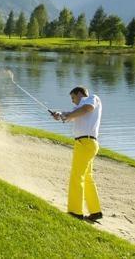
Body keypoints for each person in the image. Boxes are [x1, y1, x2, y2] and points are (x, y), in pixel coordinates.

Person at [52, 86, 103, 222]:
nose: (73, 101)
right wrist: (59, 114)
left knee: (77, 176)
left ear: (80, 93)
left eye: (73, 98)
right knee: (87, 178)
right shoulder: (77, 110)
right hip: (86, 144)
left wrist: (67, 115)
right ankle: (95, 211)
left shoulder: (92, 98)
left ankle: (75, 212)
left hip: (86, 143)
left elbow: (87, 109)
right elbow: (71, 114)